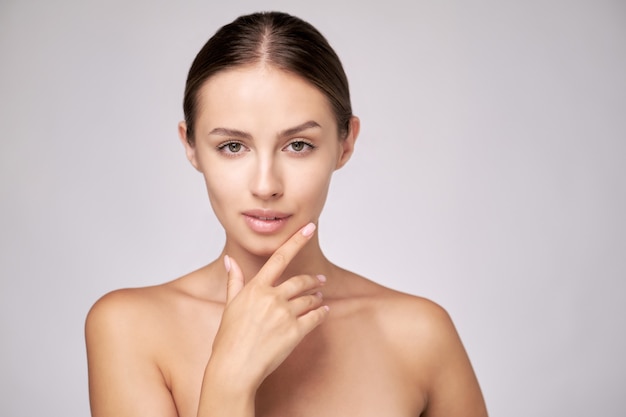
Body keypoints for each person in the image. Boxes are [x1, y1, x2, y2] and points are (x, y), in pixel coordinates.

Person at [85, 11, 488, 417]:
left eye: (297, 145)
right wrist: (228, 380)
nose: (265, 185)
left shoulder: (421, 334)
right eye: (232, 146)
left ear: (345, 144)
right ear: (190, 146)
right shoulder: (129, 328)